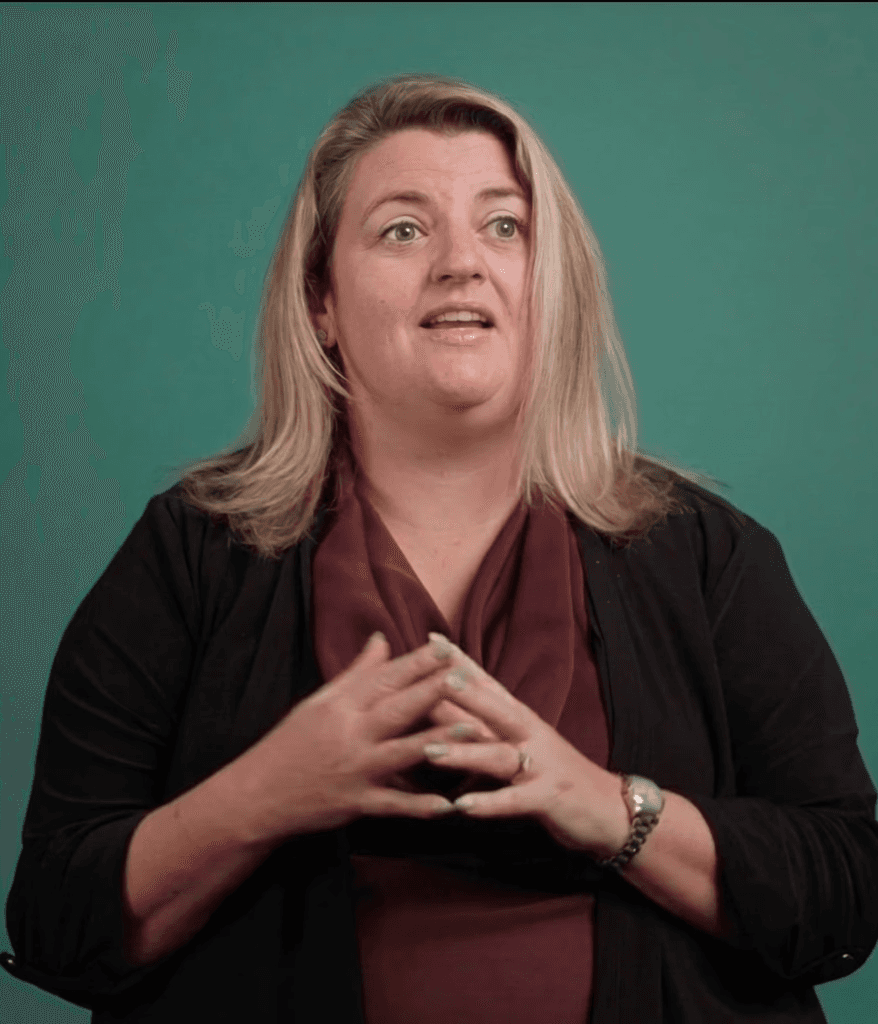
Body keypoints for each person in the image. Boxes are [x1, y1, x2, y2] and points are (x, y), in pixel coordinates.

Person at [3, 72, 877, 1024]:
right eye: (403, 229)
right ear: (322, 304)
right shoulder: (188, 554)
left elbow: (842, 894)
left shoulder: (705, 554)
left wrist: (608, 808)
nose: (463, 263)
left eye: (505, 226)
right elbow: (55, 921)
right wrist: (263, 793)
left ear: (553, 287)